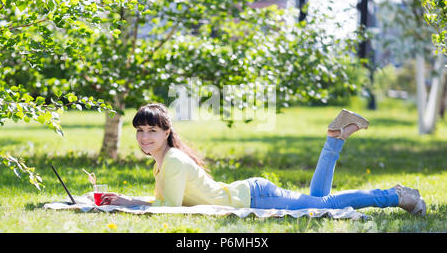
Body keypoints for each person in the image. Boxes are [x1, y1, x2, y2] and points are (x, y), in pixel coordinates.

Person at [100, 103, 426, 216]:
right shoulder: (162, 162)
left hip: (255, 196)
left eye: (151, 130)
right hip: (250, 192)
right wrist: (128, 200)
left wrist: (129, 204)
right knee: (319, 201)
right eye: (140, 131)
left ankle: (394, 196)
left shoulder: (170, 161)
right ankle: (335, 138)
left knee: (328, 202)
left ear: (166, 130)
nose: (145, 137)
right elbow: (165, 202)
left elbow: (168, 209)